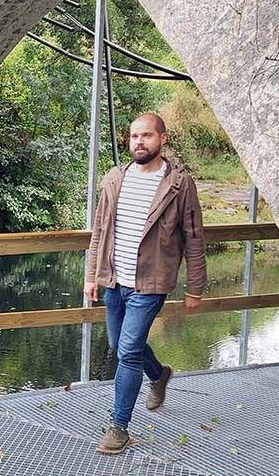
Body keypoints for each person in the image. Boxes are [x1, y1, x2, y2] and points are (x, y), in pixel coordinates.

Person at [83, 112, 207, 455]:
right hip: (114, 279)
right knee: (120, 345)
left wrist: (195, 286)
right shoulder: (114, 178)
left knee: (127, 352)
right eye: (134, 136)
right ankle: (159, 375)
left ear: (162, 139)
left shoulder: (179, 185)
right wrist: (90, 276)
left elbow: (194, 238)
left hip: (151, 283)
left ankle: (118, 427)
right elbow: (99, 234)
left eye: (147, 136)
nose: (139, 142)